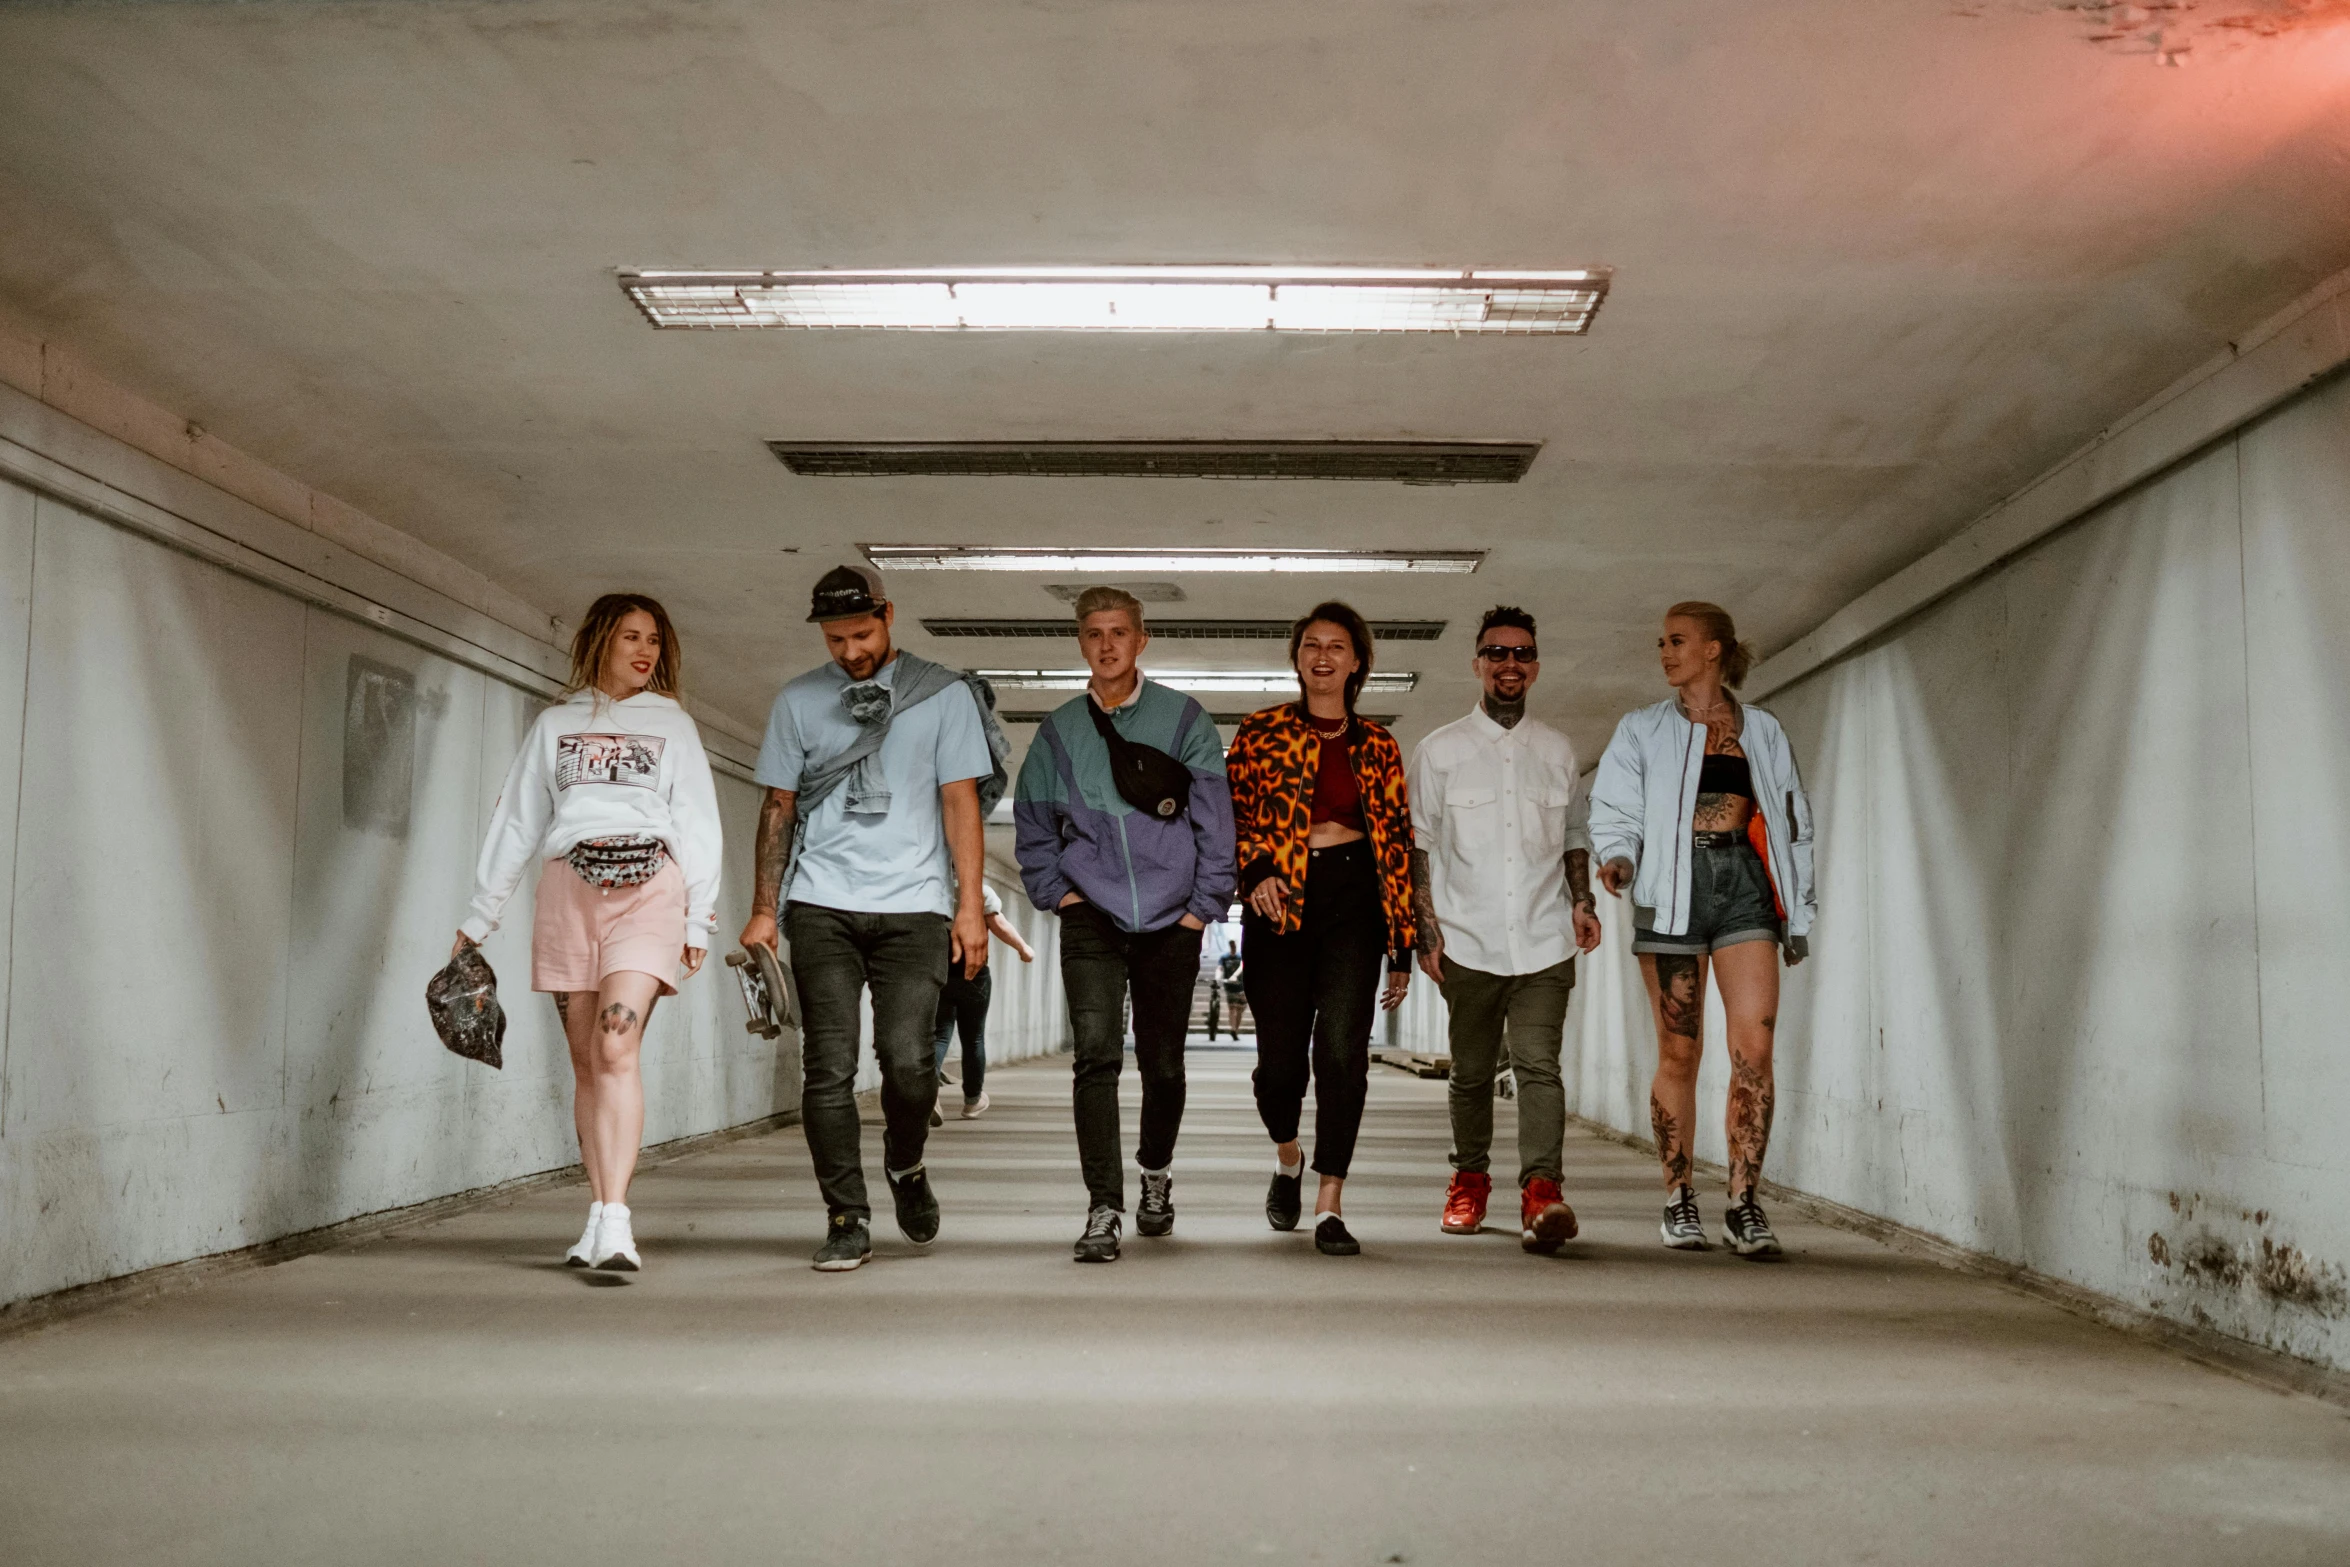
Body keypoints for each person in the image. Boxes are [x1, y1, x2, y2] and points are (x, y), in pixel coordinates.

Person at [740, 563, 1003, 1273]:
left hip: (915, 904)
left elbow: (960, 803)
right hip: (821, 901)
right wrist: (765, 910)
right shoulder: (798, 700)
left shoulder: (942, 695)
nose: (850, 651)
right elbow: (778, 807)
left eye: (861, 633)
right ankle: (846, 1215)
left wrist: (970, 908)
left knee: (910, 1061)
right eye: (835, 639)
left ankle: (906, 1163)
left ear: (888, 614)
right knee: (826, 1068)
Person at [455, 593, 722, 1274]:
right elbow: (516, 820)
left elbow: (696, 821)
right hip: (568, 892)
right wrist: (478, 918)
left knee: (614, 1043)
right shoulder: (555, 723)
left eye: (655, 640)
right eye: (631, 636)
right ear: (600, 640)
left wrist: (698, 913)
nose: (646, 651)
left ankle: (618, 1218)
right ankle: (598, 1214)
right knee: (584, 1064)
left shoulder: (674, 725)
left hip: (649, 890)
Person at [1014, 585, 1235, 1263]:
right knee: (1097, 1056)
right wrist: (1060, 894)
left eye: (1119, 632)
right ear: (1080, 642)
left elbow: (1215, 821)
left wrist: (1204, 906)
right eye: (1093, 633)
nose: (1106, 644)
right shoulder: (1059, 732)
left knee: (1163, 1065)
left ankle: (1155, 1173)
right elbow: (1032, 823)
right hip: (1093, 916)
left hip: (1174, 919)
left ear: (1142, 639)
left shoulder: (1184, 719)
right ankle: (1103, 1205)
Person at [1589, 601, 1816, 1258]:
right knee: (1680, 1053)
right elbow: (1614, 805)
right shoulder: (1641, 730)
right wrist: (1619, 855)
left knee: (1755, 1048)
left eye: (1678, 640)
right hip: (1671, 889)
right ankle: (1678, 1196)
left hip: (1746, 887)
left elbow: (1794, 820)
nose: (1665, 651)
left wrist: (1799, 908)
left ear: (1715, 649)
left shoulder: (1763, 732)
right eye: (1661, 641)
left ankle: (1744, 1202)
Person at [1409, 606, 1603, 1254]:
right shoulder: (1439, 751)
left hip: (1545, 937)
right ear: (1477, 664)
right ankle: (1468, 1178)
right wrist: (1425, 930)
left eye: (1521, 653)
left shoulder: (1557, 750)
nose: (1509, 664)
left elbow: (1574, 834)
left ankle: (1542, 1191)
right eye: (1497, 652)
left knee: (1537, 1065)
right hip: (1467, 940)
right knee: (1469, 1072)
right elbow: (1420, 847)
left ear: (1536, 666)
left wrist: (1583, 900)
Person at [1227, 601, 1415, 1257]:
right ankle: (1289, 1156)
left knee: (1341, 1053)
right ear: (1298, 656)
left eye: (1338, 645)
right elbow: (1235, 816)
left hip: (1353, 899)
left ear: (1357, 661)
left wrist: (1403, 941)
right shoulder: (1259, 732)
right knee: (1279, 1068)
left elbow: (1396, 842)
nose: (1323, 655)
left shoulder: (1380, 745)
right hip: (1278, 900)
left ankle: (1331, 1202)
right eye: (1311, 644)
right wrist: (1254, 874)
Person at [928, 879, 1036, 1125]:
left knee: (939, 1035)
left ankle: (928, 1093)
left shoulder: (932, 887)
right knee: (973, 1037)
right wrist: (1023, 948)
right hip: (973, 973)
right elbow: (997, 922)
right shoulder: (978, 890)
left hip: (940, 971)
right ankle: (973, 1100)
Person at [1205, 942, 1246, 1039]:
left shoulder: (1241, 956)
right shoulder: (1224, 957)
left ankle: (1235, 1029)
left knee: (1240, 1009)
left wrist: (1235, 975)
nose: (1233, 946)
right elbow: (1220, 968)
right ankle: (1233, 1030)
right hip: (1230, 986)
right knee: (1232, 1008)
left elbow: (1242, 966)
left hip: (1241, 985)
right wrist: (1217, 978)